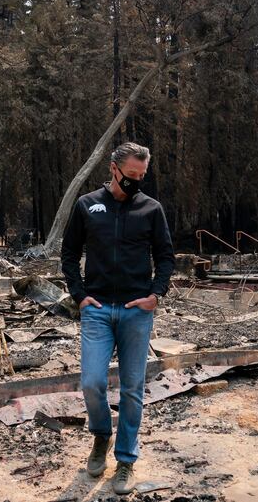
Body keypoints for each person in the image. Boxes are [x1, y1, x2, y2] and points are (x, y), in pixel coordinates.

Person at [61, 142, 175, 494]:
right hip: (97, 311)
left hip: (136, 312)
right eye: (131, 176)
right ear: (114, 169)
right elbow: (68, 253)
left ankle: (125, 460)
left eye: (142, 176)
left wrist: (155, 295)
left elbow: (166, 256)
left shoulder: (151, 210)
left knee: (132, 389)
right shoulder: (87, 206)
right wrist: (80, 296)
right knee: (92, 382)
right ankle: (100, 437)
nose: (136, 183)